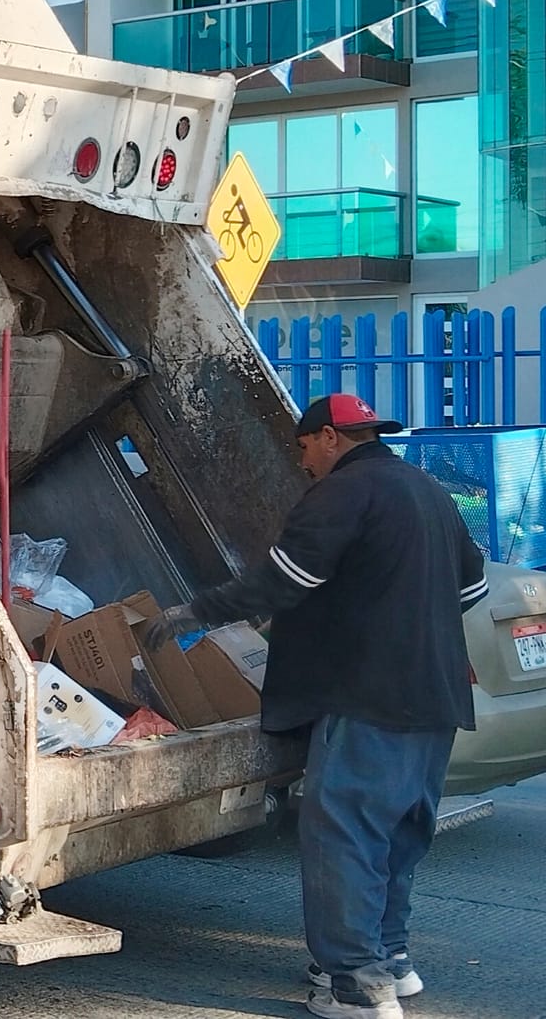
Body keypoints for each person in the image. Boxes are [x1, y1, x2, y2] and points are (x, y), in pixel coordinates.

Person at [158, 393, 487, 1019]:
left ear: (331, 438)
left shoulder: (341, 493)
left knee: (345, 836)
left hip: (365, 697)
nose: (304, 460)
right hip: (435, 697)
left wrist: (195, 612)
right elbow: (469, 587)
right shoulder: (427, 490)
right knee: (396, 833)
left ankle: (357, 986)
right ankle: (390, 957)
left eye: (305, 446)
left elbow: (285, 581)